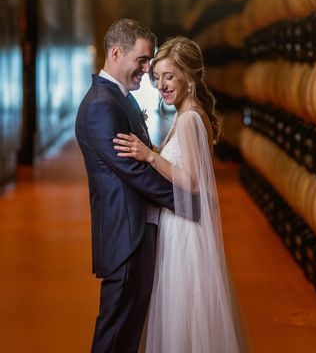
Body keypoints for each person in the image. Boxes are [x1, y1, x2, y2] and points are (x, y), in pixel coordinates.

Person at [113, 36, 242, 353]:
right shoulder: (192, 113)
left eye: (169, 76)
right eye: (157, 78)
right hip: (186, 223)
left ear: (190, 76)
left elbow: (194, 181)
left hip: (183, 228)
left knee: (181, 309)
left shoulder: (189, 119)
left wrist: (149, 156)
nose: (161, 85)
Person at [75, 19, 197, 353]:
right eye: (142, 60)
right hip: (125, 238)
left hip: (136, 232)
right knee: (115, 336)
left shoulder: (119, 99)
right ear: (116, 53)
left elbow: (143, 160)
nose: (147, 69)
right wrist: (188, 203)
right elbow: (134, 171)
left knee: (127, 335)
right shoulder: (102, 105)